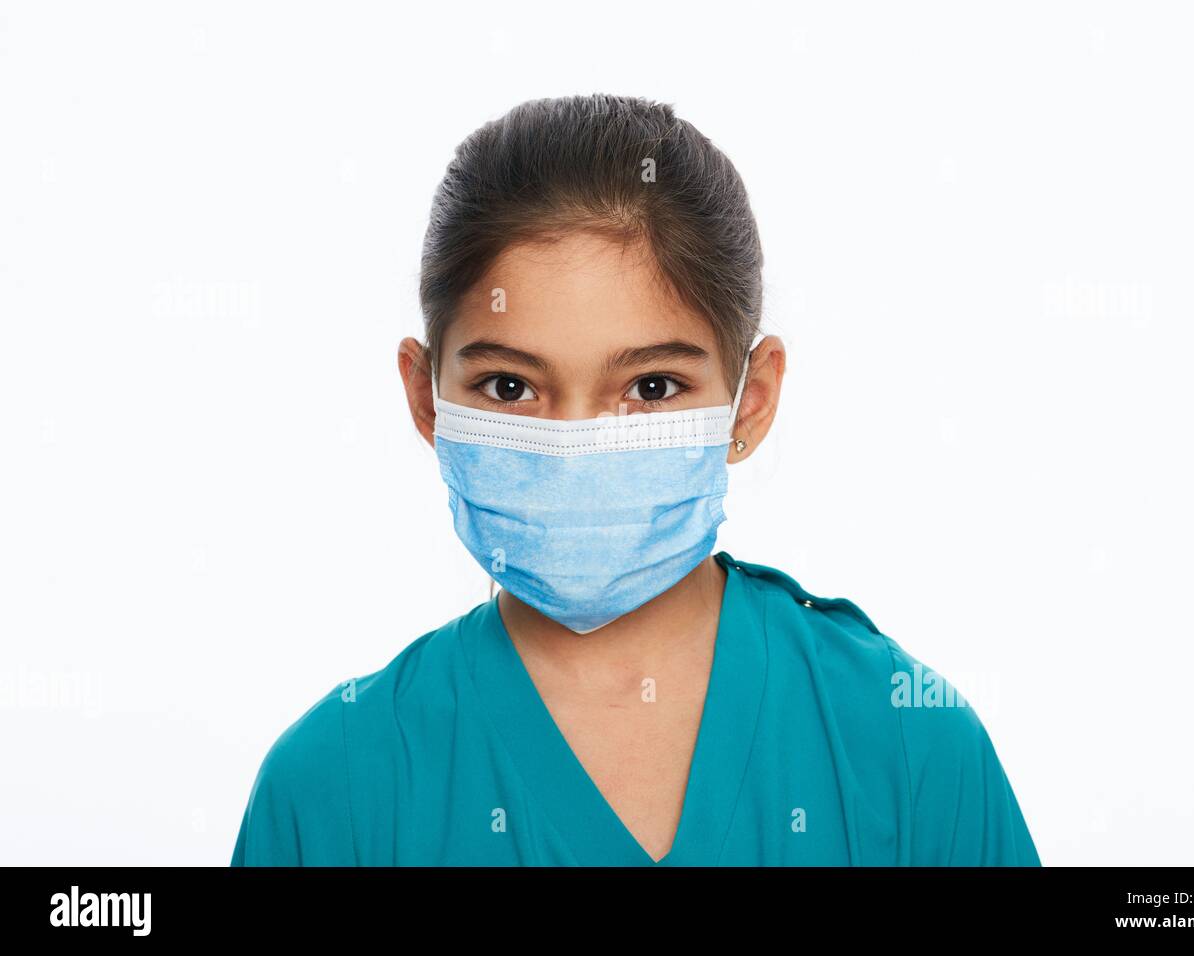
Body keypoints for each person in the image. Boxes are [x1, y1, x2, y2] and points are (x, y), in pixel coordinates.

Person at [230, 94, 1041, 866]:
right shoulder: (334, 791)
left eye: (650, 387)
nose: (578, 445)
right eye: (511, 387)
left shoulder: (904, 746)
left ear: (749, 402)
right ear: (426, 397)